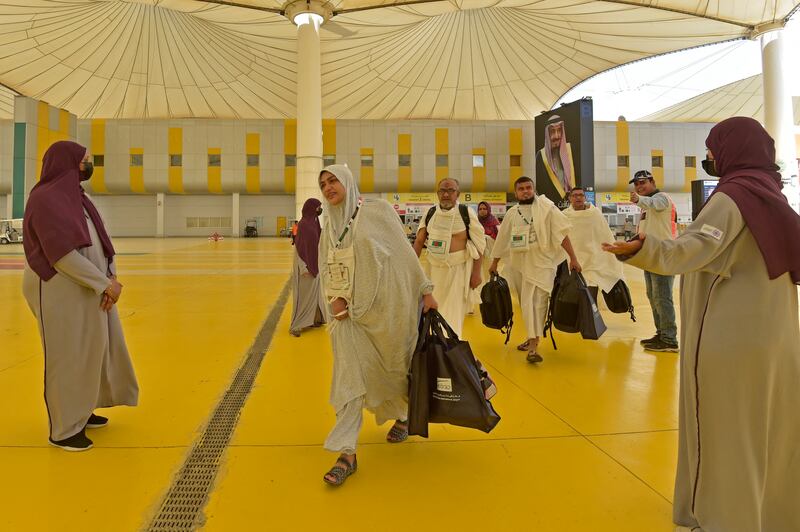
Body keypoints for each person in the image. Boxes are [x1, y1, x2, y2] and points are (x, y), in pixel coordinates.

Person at [603, 116, 800, 532]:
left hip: (729, 337)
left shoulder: (732, 198)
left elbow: (691, 250)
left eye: (713, 148)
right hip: (773, 338)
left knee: (722, 431)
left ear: (733, 149)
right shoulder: (770, 196)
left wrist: (642, 249)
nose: (709, 157)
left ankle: (724, 519)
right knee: (769, 431)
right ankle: (771, 516)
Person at [318, 164, 437, 487]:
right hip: (348, 320)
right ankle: (346, 452)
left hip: (387, 313)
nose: (329, 187)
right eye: (323, 184)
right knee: (348, 381)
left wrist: (425, 290)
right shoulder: (327, 224)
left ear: (347, 182)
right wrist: (334, 300)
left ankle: (401, 415)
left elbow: (404, 254)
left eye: (333, 181)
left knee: (395, 371)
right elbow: (325, 267)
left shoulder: (378, 212)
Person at [21, 141, 139, 452]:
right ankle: (63, 429)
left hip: (89, 286)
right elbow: (61, 256)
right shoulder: (45, 199)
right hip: (59, 288)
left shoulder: (79, 199)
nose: (89, 164)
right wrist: (104, 284)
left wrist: (109, 278)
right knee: (68, 353)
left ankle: (83, 410)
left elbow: (100, 243)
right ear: (67, 162)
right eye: (85, 159)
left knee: (93, 348)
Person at [489, 176, 581, 363]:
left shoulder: (547, 209)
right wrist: (494, 262)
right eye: (521, 188)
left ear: (534, 189)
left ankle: (533, 346)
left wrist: (573, 258)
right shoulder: (512, 213)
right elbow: (502, 240)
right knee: (526, 305)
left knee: (538, 303)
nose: (525, 191)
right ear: (515, 193)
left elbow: (562, 235)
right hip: (519, 264)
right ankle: (532, 337)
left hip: (542, 264)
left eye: (528, 187)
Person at [413, 178, 485, 337]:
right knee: (432, 311)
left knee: (452, 316)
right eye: (442, 191)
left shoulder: (466, 213)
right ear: (438, 193)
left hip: (457, 272)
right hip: (432, 272)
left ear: (457, 194)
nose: (446, 194)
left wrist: (476, 273)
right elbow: (419, 241)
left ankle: (451, 351)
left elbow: (480, 245)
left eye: (451, 190)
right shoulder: (430, 213)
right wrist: (410, 269)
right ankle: (437, 350)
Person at [630, 169, 678, 352]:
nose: (639, 186)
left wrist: (639, 199)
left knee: (662, 297)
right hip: (650, 256)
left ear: (652, 182)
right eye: (636, 184)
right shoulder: (645, 208)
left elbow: (655, 204)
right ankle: (661, 333)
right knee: (653, 296)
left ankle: (669, 339)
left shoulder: (662, 198)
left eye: (642, 182)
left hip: (662, 255)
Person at [564, 186, 624, 302]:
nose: (578, 198)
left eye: (581, 195)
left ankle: (591, 320)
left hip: (593, 263)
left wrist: (611, 253)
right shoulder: (564, 215)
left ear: (585, 197)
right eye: (575, 195)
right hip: (573, 262)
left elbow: (605, 235)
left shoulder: (595, 213)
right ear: (570, 198)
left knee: (591, 301)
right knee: (575, 300)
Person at [289, 198, 325, 337]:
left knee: (316, 295)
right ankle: (296, 325)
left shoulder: (315, 223)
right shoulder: (304, 224)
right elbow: (300, 248)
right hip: (305, 265)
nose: (319, 210)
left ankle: (315, 319)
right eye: (318, 207)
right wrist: (303, 267)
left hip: (315, 265)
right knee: (303, 296)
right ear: (311, 208)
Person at [537, 116, 575, 202]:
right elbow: (540, 186)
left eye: (559, 131)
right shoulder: (541, 156)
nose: (556, 136)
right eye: (552, 131)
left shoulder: (571, 150)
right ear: (547, 134)